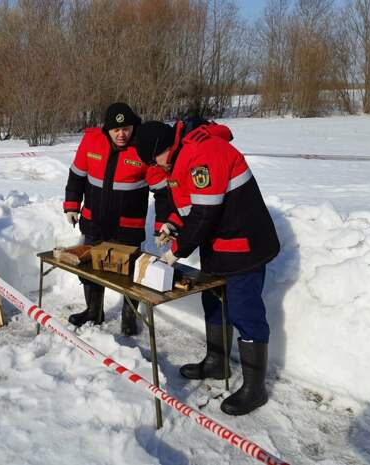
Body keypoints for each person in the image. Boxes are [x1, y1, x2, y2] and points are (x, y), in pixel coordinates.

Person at [134, 119, 280, 416]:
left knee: (243, 311)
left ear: (164, 148)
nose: (157, 167)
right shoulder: (179, 159)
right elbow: (188, 206)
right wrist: (173, 225)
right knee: (213, 302)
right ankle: (216, 363)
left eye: (154, 160)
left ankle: (255, 389)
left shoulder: (204, 152)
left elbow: (205, 213)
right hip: (219, 247)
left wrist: (177, 251)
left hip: (244, 245)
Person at [63, 103, 170, 335]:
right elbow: (77, 176)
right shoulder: (91, 141)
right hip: (93, 221)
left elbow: (163, 191)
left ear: (133, 127)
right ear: (106, 129)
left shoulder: (143, 147)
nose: (121, 134)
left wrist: (163, 225)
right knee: (89, 268)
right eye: (116, 130)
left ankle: (129, 318)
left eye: (126, 129)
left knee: (130, 274)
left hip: (127, 227)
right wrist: (72, 205)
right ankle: (93, 311)